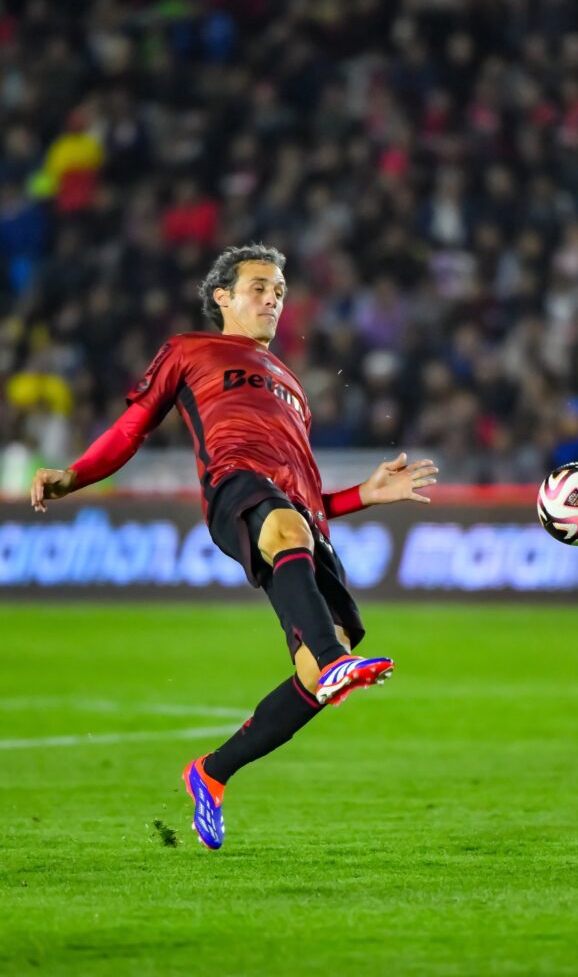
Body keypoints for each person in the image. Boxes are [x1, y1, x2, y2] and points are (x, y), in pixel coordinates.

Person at [29, 243, 438, 850]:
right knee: (325, 640)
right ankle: (332, 662)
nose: (273, 298)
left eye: (279, 290)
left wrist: (364, 496)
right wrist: (75, 474)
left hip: (295, 518)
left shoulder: (291, 384)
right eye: (259, 287)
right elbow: (132, 426)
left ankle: (212, 773)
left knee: (322, 654)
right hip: (234, 484)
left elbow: (304, 496)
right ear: (223, 297)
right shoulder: (191, 350)